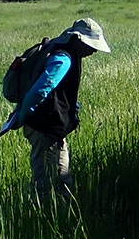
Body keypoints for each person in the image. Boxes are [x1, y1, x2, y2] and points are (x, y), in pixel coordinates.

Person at [13, 18, 111, 200]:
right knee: (55, 182)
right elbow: (40, 90)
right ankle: (48, 218)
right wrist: (22, 115)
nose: (94, 50)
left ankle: (39, 214)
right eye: (92, 46)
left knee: (46, 177)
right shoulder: (63, 59)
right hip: (46, 128)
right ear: (79, 40)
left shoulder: (57, 51)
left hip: (42, 126)